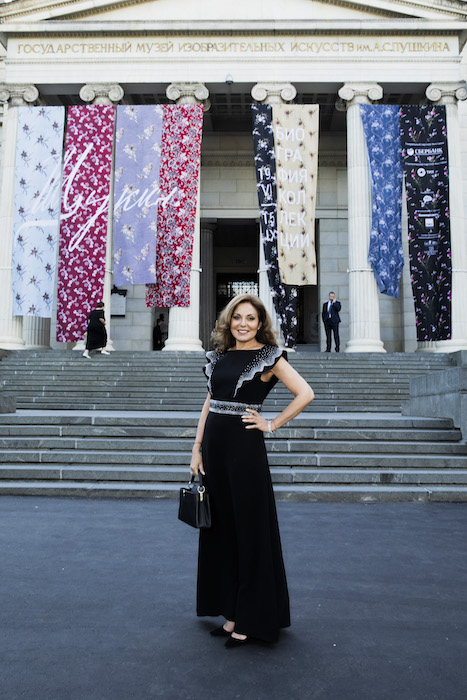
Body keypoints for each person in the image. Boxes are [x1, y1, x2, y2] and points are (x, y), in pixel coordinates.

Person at [190, 294, 314, 647]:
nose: (242, 324)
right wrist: (196, 448)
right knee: (221, 532)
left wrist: (271, 424)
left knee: (248, 532)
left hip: (244, 453)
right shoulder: (219, 357)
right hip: (215, 452)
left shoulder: (270, 356)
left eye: (250, 318)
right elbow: (210, 402)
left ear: (260, 324)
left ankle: (251, 618)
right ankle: (230, 614)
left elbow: (305, 393)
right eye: (237, 317)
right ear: (228, 321)